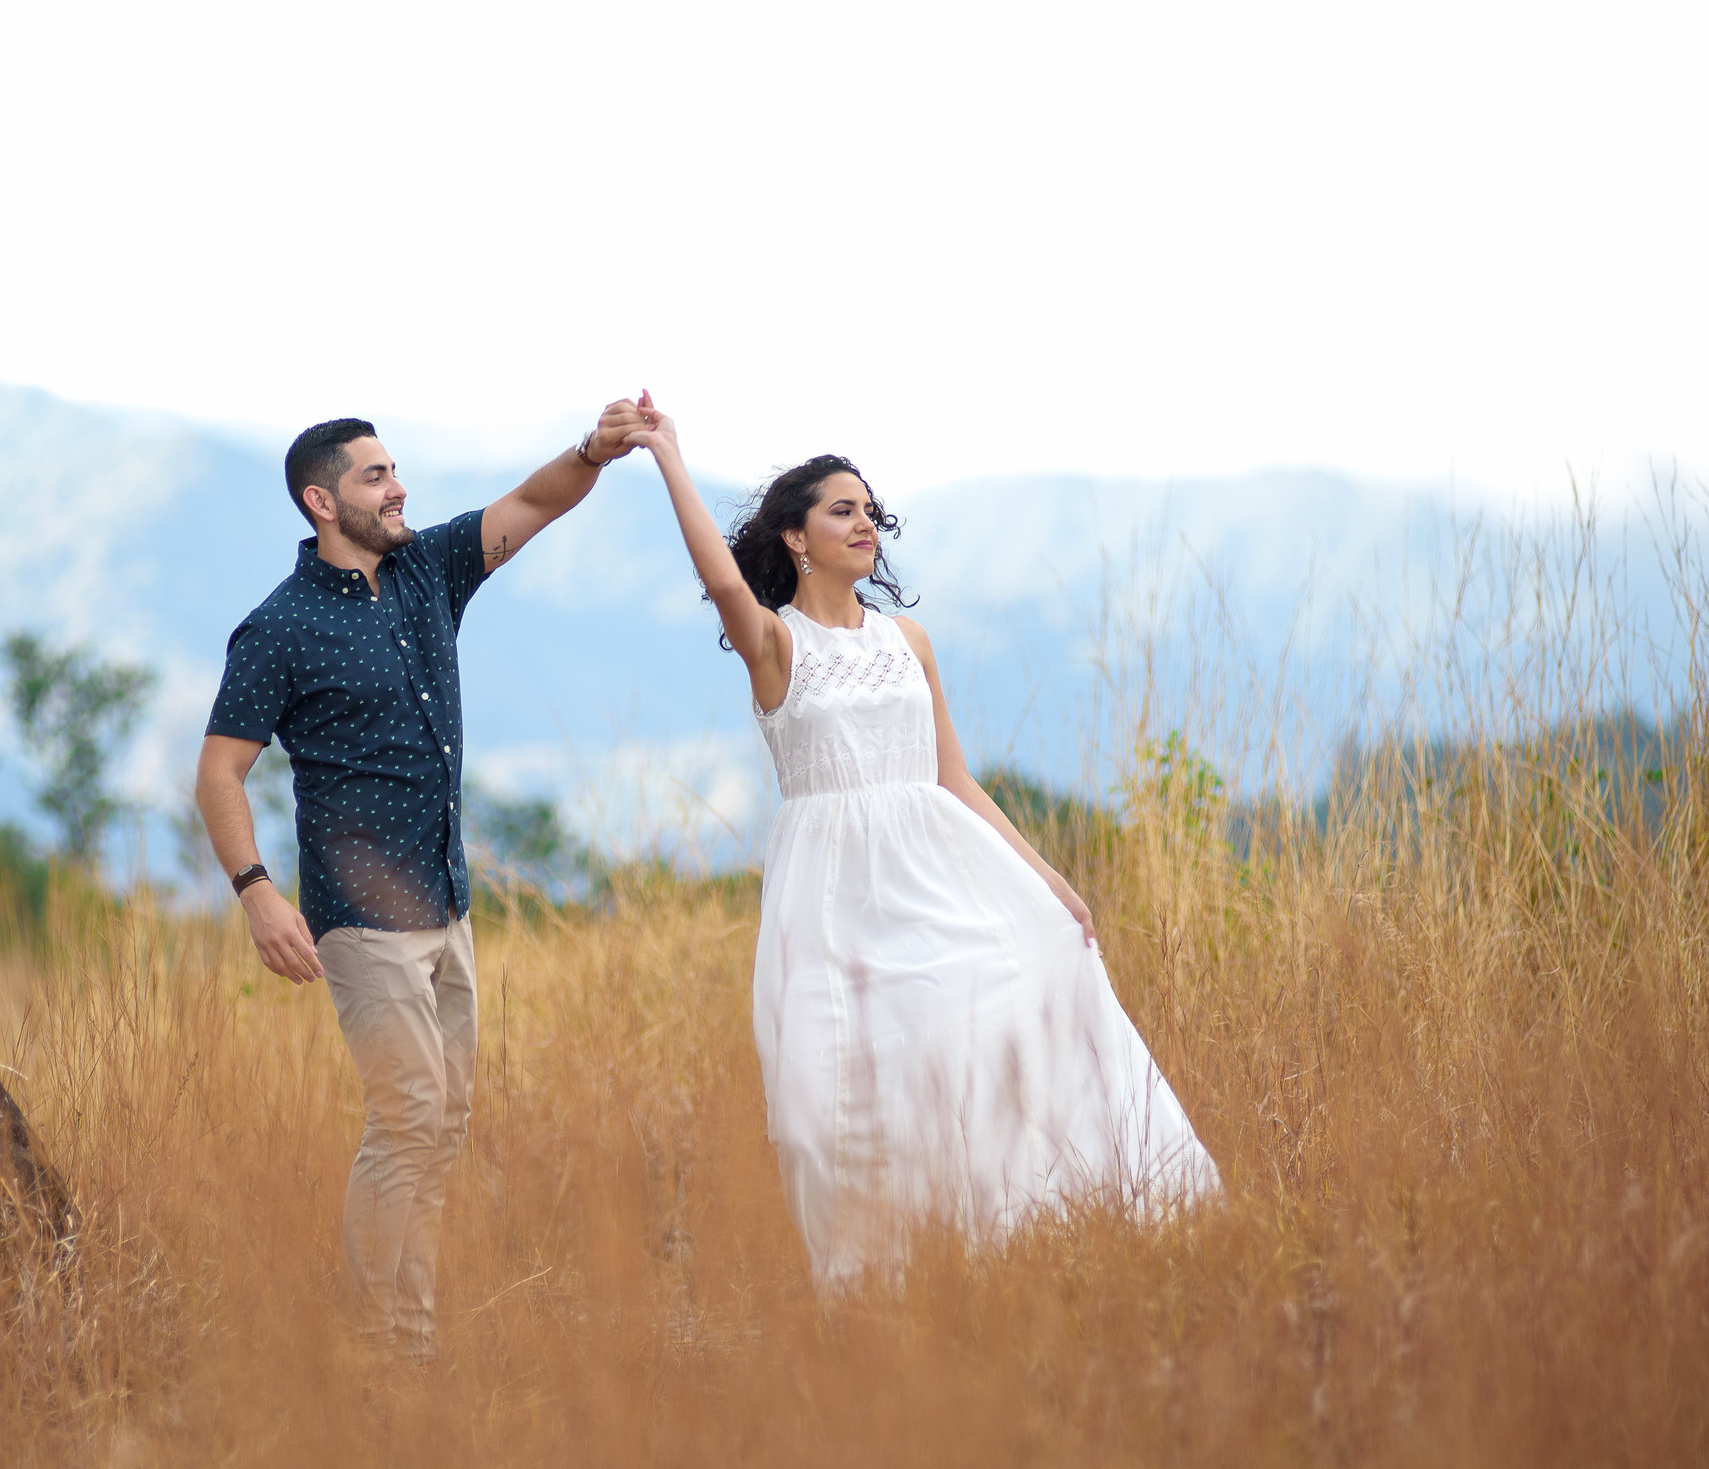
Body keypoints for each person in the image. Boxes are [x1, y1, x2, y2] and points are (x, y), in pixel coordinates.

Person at [623, 394, 1221, 1288]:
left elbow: (955, 775)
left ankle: (1017, 1248)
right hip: (834, 896)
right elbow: (719, 582)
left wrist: (1048, 878)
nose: (866, 523)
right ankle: (882, 1284)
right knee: (845, 1097)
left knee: (992, 1028)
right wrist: (669, 454)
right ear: (795, 536)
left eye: (870, 510)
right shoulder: (776, 644)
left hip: (941, 871)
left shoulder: (910, 639)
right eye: (842, 509)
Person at [197, 403, 644, 1359]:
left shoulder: (427, 570)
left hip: (448, 904)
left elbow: (533, 499)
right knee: (405, 1117)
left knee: (442, 1121)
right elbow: (218, 771)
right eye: (373, 477)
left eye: (395, 471)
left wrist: (595, 450)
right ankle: (380, 1350)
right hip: (362, 922)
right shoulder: (279, 629)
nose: (397, 488)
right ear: (321, 501)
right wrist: (256, 891)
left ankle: (415, 1336)